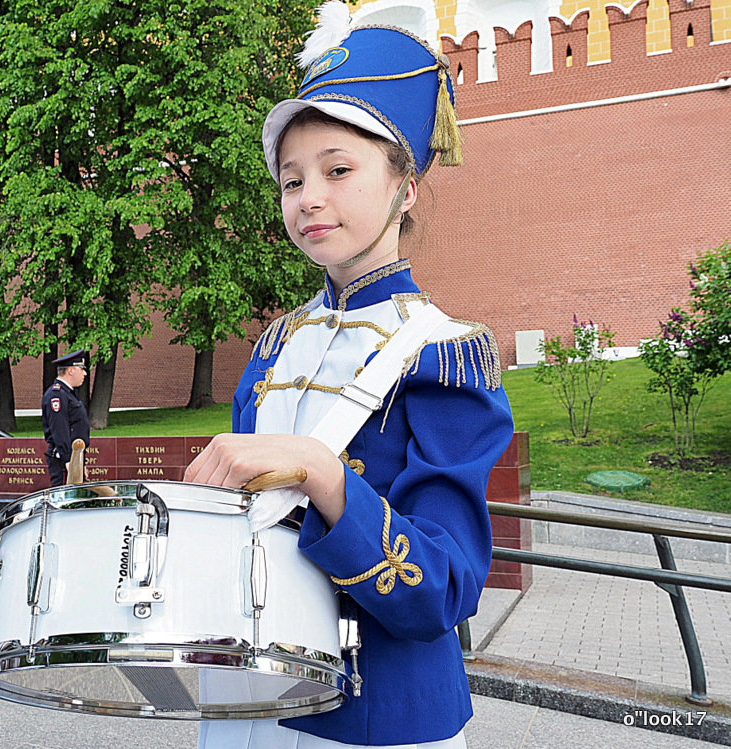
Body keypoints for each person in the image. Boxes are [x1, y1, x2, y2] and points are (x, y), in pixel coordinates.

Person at [185, 5, 514, 748]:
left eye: (338, 170)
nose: (309, 198)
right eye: (291, 179)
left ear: (406, 186)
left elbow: (445, 588)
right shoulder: (273, 347)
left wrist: (319, 471)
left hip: (381, 719)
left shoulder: (447, 356)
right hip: (245, 702)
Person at [41, 349, 90, 486]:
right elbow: (59, 428)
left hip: (74, 458)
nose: (85, 373)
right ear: (71, 370)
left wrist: (80, 462)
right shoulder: (57, 395)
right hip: (65, 459)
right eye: (82, 369)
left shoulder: (67, 393)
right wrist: (69, 460)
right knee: (63, 502)